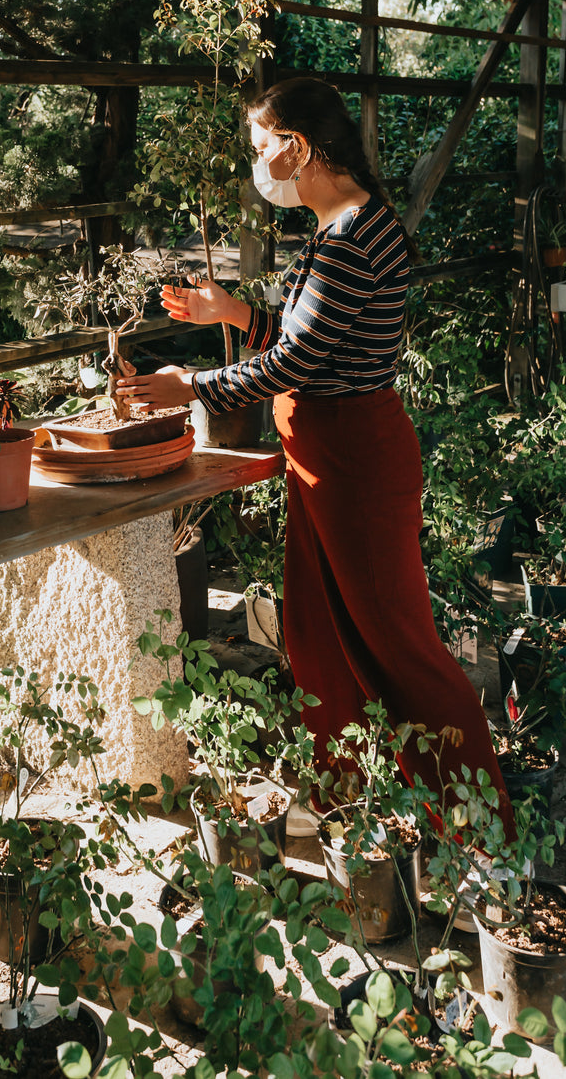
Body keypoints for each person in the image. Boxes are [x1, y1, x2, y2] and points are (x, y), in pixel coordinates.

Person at [119, 76, 514, 830]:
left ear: (300, 146)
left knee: (399, 645)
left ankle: (483, 839)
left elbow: (296, 365)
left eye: (265, 147)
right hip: (325, 454)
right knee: (318, 632)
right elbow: (318, 346)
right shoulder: (342, 230)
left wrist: (190, 386)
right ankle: (352, 798)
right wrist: (235, 312)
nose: (261, 165)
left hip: (355, 460)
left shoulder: (355, 235)